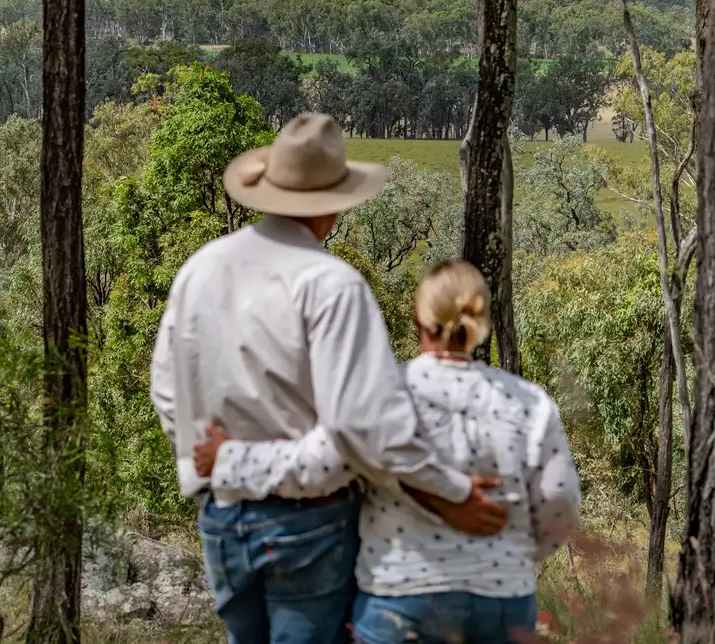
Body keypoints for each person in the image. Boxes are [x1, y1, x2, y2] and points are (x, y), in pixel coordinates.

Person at [150, 113, 507, 644]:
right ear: (335, 205)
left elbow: (166, 389)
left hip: (222, 518)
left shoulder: (201, 268)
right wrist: (452, 490)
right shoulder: (332, 285)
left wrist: (221, 459)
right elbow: (362, 427)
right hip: (308, 523)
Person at [196, 260, 581, 644]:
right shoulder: (531, 402)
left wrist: (230, 459)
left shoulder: (382, 393)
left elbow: (317, 468)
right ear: (482, 321)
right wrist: (510, 555)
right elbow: (559, 503)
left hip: (400, 596)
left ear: (418, 317)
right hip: (505, 603)